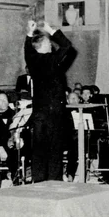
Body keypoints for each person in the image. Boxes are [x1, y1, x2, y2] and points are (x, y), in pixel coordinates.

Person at [24, 20, 73, 182]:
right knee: (54, 150)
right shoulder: (52, 59)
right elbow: (66, 45)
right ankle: (54, 182)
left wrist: (29, 33)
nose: (51, 45)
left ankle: (38, 182)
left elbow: (27, 49)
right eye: (48, 43)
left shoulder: (32, 60)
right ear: (42, 46)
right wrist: (51, 30)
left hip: (39, 113)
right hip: (54, 114)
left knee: (38, 150)